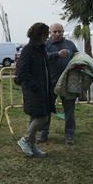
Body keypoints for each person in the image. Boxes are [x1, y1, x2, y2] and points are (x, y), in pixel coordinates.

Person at [16, 22, 55, 157]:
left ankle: (32, 146)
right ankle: (25, 140)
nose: (48, 36)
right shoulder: (28, 50)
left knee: (34, 117)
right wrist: (35, 86)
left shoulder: (41, 49)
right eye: (46, 34)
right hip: (33, 91)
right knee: (42, 117)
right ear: (39, 35)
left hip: (43, 89)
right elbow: (22, 73)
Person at [37, 23, 78, 145]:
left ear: (63, 31)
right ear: (50, 32)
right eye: (55, 31)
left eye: (60, 31)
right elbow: (41, 57)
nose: (58, 34)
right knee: (46, 109)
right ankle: (43, 134)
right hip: (50, 82)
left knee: (69, 110)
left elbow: (77, 56)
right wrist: (57, 54)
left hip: (67, 82)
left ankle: (69, 135)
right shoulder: (45, 44)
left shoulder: (70, 44)